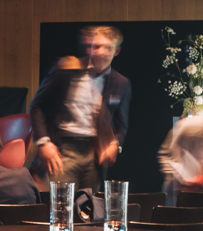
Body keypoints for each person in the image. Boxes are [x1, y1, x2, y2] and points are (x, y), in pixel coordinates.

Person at [30, 25, 132, 188]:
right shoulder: (66, 70)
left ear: (116, 51)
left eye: (107, 47)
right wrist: (44, 142)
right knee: (62, 205)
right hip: (62, 149)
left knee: (88, 206)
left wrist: (115, 145)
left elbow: (121, 124)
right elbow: (37, 105)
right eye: (97, 46)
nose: (101, 52)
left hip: (94, 153)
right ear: (90, 47)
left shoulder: (121, 83)